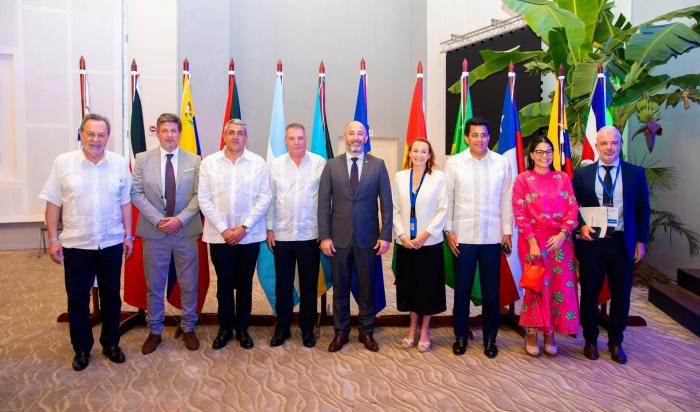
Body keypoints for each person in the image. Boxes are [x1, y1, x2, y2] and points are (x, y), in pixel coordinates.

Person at [39, 113, 133, 371]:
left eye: (101, 134)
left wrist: (129, 235)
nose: (96, 139)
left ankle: (111, 343)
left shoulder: (119, 163)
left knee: (112, 296)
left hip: (111, 242)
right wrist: (53, 239)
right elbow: (52, 203)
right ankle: (82, 348)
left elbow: (125, 203)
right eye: (90, 133)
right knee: (78, 298)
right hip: (77, 243)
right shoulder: (63, 163)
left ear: (108, 137)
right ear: (81, 133)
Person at [572, 126, 650, 364]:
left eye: (614, 143)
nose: (609, 147)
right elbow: (572, 208)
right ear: (596, 146)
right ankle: (591, 340)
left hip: (621, 243)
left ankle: (616, 341)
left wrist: (641, 241)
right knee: (589, 294)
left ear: (620, 145)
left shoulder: (635, 174)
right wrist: (581, 226)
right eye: (604, 143)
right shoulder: (582, 174)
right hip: (591, 245)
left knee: (621, 295)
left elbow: (643, 209)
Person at [131, 113, 202, 354]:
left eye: (174, 131)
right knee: (155, 284)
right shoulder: (142, 159)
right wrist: (159, 220)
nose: (169, 135)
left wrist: (180, 220)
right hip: (154, 231)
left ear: (180, 133)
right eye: (164, 131)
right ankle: (155, 331)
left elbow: (199, 195)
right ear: (157, 133)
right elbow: (136, 193)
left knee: (189, 283)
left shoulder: (195, 160)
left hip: (185, 231)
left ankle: (189, 326)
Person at [318, 120, 392, 353]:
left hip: (368, 238)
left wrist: (385, 234)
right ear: (345, 136)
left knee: (366, 286)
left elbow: (386, 204)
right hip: (337, 238)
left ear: (366, 138)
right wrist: (324, 236)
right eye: (352, 133)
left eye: (360, 133)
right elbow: (322, 203)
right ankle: (341, 332)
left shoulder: (378, 165)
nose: (356, 137)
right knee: (339, 287)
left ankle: (366, 331)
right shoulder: (331, 165)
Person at [198, 118, 271, 350]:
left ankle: (243, 328)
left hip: (249, 236)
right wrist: (224, 229)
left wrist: (244, 227)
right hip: (219, 237)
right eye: (231, 132)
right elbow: (204, 199)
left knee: (245, 284)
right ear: (224, 135)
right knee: (224, 284)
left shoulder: (258, 163)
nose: (235, 136)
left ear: (246, 137)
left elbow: (264, 197)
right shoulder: (209, 163)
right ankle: (225, 328)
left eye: (240, 133)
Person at [444, 117, 513, 359]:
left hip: (493, 238)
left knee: (491, 293)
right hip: (462, 237)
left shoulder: (502, 163)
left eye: (484, 135)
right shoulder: (454, 164)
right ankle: (460, 336)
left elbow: (507, 198)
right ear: (466, 137)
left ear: (489, 137)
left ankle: (490, 339)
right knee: (462, 291)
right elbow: (447, 200)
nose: (480, 140)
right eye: (474, 135)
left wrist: (507, 231)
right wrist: (448, 230)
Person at [512, 135, 579, 357]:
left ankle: (550, 332)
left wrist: (563, 233)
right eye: (539, 152)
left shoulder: (562, 178)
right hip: (533, 242)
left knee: (559, 287)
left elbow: (572, 207)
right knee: (535, 286)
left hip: (559, 242)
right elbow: (519, 212)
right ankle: (531, 332)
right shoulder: (523, 179)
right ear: (531, 155)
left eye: (548, 151)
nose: (544, 156)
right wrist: (532, 242)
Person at [266, 123, 326, 348]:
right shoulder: (276, 165)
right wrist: (269, 228)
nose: (296, 142)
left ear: (306, 139)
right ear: (285, 141)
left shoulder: (319, 163)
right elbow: (270, 197)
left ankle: (307, 328)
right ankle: (283, 327)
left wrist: (324, 232)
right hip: (282, 235)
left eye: (300, 138)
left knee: (309, 285)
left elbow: (324, 199)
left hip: (310, 235)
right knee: (283, 285)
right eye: (292, 138)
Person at [392, 138, 447, 353]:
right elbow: (395, 209)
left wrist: (425, 235)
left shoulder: (438, 177)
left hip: (429, 243)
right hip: (406, 243)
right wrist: (403, 235)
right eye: (415, 151)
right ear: (410, 153)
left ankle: (425, 330)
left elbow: (443, 210)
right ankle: (412, 327)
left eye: (424, 151)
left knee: (427, 287)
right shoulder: (400, 177)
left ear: (429, 154)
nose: (419, 155)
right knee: (410, 286)